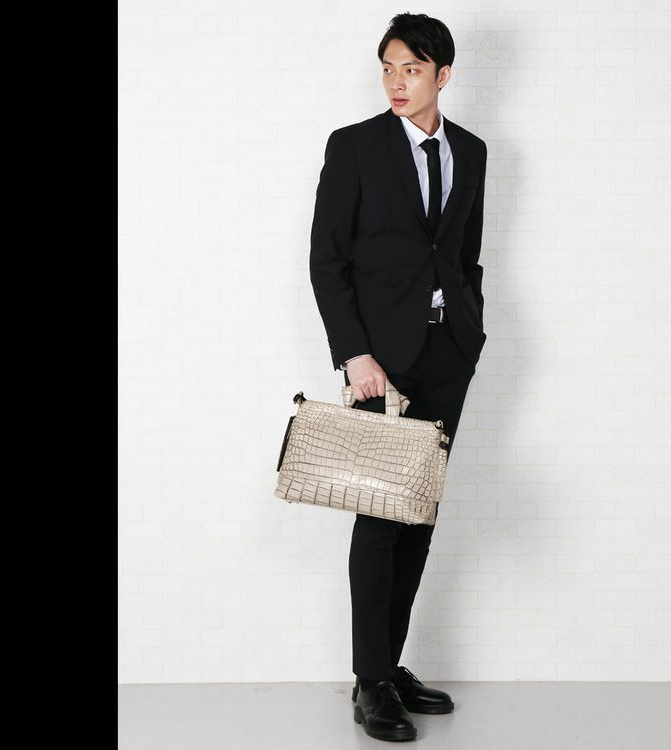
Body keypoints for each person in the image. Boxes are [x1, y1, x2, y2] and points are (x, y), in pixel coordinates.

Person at [309, 12, 489, 742]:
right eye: (388, 68)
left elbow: (466, 255)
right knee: (381, 516)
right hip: (380, 365)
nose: (396, 82)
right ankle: (370, 681)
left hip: (448, 356)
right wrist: (355, 355)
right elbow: (327, 262)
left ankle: (388, 663)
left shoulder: (471, 151)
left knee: (419, 515)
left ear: (442, 75)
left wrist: (470, 332)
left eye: (411, 69)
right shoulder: (354, 147)